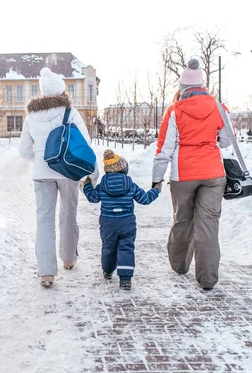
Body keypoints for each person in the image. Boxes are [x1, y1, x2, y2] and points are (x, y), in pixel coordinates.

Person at [152, 58, 233, 291]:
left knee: (183, 221)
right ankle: (208, 279)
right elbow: (227, 140)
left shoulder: (175, 111)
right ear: (202, 85)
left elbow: (163, 151)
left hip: (183, 175)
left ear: (182, 87)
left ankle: (179, 266)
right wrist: (210, 140)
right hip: (213, 175)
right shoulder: (218, 107)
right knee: (207, 225)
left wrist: (156, 179)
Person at [19, 67, 99, 288]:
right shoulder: (70, 113)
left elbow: (24, 151)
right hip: (68, 171)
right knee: (68, 214)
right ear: (61, 91)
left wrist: (40, 156)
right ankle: (69, 258)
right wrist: (93, 173)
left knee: (44, 221)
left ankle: (46, 272)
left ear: (43, 92)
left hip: (41, 175)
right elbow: (85, 146)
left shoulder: (31, 116)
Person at [83, 150, 160, 290]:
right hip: (127, 222)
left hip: (108, 222)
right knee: (126, 247)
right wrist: (156, 190)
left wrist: (87, 185)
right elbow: (145, 199)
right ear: (123, 168)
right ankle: (125, 279)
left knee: (108, 247)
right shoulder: (130, 184)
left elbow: (92, 198)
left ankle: (107, 271)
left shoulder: (102, 185)